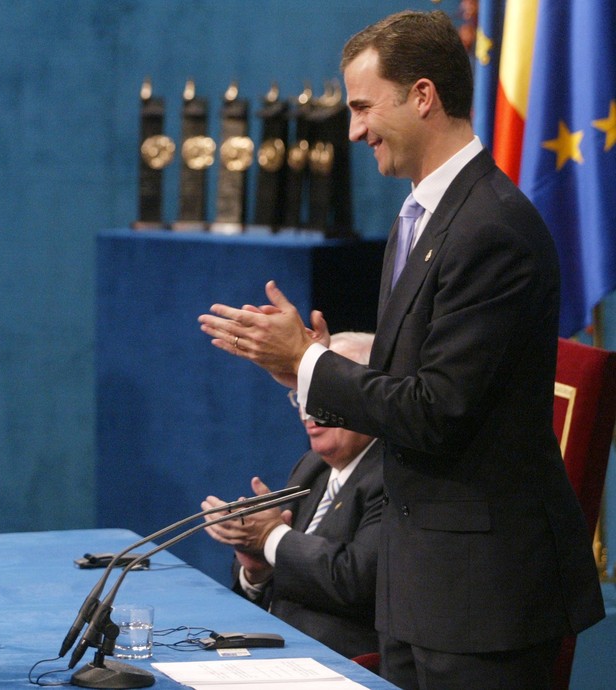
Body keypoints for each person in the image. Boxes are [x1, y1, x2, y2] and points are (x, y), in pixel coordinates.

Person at [197, 10, 603, 690]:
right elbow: (405, 389)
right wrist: (305, 369)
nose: (354, 130)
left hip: (483, 596)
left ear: (422, 95)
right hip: (418, 591)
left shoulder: (491, 229)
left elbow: (437, 409)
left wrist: (309, 362)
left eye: (362, 107)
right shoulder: (421, 215)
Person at [202, 332, 382, 659]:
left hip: (343, 659)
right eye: (300, 396)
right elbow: (289, 569)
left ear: (370, 394)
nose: (307, 411)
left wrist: (272, 537)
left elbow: (356, 579)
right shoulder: (313, 466)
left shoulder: (393, 475)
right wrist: (257, 570)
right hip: (276, 647)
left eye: (324, 394)